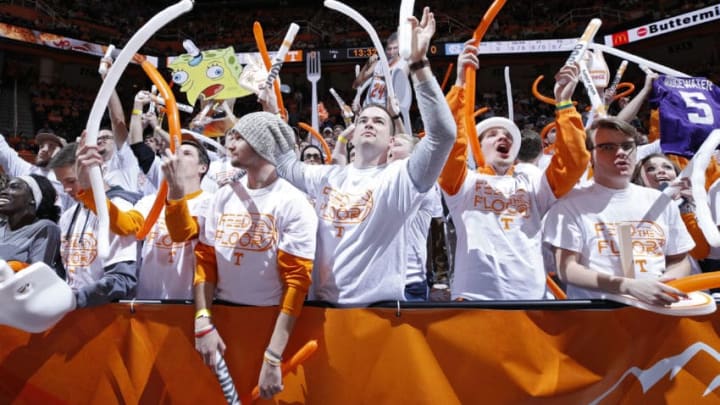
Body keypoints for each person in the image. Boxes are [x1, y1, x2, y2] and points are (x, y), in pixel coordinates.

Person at [274, 7, 456, 304]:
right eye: (364, 120)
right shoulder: (326, 176)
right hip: (324, 312)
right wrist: (272, 107)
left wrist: (419, 65)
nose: (369, 123)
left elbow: (443, 135)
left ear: (390, 140)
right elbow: (282, 162)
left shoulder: (401, 178)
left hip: (380, 315)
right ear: (353, 134)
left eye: (379, 121)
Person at [173, 112, 317, 399]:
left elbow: (296, 285)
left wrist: (274, 355)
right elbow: (206, 260)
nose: (230, 142)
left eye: (240, 136)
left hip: (268, 327)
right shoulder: (223, 196)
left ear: (263, 145)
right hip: (221, 325)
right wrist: (203, 320)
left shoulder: (293, 203)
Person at [438, 42, 590, 300]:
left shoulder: (530, 179)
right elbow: (450, 143)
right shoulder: (463, 182)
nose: (502, 137)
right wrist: (460, 84)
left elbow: (574, 163)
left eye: (508, 135)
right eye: (492, 134)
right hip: (474, 298)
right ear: (479, 146)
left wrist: (564, 103)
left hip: (530, 297)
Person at [543, 117, 694, 305]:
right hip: (598, 319)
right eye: (608, 147)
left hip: (658, 315)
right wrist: (628, 286)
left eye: (627, 146)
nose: (621, 153)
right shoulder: (569, 205)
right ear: (590, 155)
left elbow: (679, 259)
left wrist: (663, 284)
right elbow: (567, 268)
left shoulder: (660, 202)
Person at [73, 133, 212, 300]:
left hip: (186, 303)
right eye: (175, 152)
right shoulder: (151, 201)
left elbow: (181, 233)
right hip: (147, 303)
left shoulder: (210, 202)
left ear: (202, 167)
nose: (177, 156)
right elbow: (125, 226)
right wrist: (89, 189)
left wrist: (175, 192)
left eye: (187, 153)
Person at [47, 141, 139, 308]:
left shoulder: (121, 208)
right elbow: (65, 271)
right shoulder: (68, 215)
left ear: (95, 172)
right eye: (62, 183)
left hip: (108, 315)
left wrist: (75, 300)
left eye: (71, 181)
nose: (66, 189)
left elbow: (122, 279)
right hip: (72, 313)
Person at [387, 133, 443, 301]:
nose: (389, 147)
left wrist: (441, 277)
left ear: (414, 154)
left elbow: (438, 231)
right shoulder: (376, 178)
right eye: (388, 145)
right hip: (375, 280)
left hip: (409, 280)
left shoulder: (422, 184)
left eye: (396, 145)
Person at [0, 174, 63, 275]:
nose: (3, 192)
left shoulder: (45, 228)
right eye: (5, 187)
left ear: (33, 198)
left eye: (14, 187)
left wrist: (13, 267)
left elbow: (38, 276)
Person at [352, 31, 412, 132]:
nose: (392, 52)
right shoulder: (378, 64)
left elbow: (403, 79)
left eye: (395, 48)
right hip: (368, 109)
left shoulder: (403, 64)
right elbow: (356, 84)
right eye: (389, 49)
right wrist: (367, 64)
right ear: (385, 50)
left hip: (386, 112)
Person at [0, 130, 73, 210]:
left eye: (51, 147)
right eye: (41, 146)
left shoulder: (69, 182)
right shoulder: (26, 170)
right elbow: (2, 148)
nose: (44, 149)